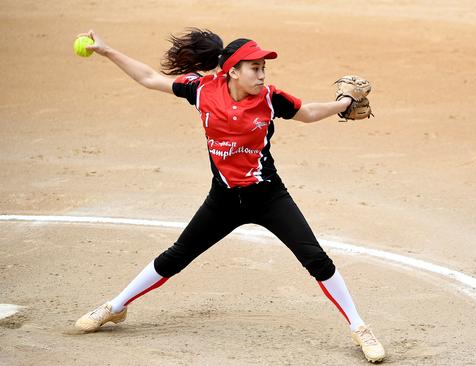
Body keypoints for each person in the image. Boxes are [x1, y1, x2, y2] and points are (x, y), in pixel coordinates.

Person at [73, 28, 386, 363]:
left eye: (264, 68)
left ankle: (359, 328)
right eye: (255, 68)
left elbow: (306, 113)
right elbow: (149, 77)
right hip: (223, 199)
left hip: (268, 196)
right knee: (175, 257)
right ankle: (115, 307)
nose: (262, 74)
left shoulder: (269, 98)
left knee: (316, 259)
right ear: (232, 71)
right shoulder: (202, 90)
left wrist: (345, 102)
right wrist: (107, 51)